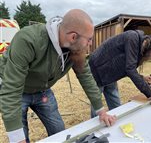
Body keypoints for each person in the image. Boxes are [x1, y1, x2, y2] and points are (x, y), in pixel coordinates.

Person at [0, 9, 116, 143]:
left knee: (59, 131)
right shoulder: (28, 39)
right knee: (21, 136)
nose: (90, 43)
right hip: (18, 92)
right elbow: (11, 89)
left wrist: (101, 111)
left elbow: (85, 75)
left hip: (42, 91)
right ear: (73, 37)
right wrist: (17, 138)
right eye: (89, 39)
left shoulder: (75, 49)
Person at [89, 30, 151, 117]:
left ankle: (117, 121)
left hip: (111, 73)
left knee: (115, 101)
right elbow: (130, 69)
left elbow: (128, 68)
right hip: (97, 69)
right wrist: (150, 93)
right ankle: (94, 128)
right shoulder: (133, 38)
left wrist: (142, 78)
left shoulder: (141, 51)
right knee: (97, 105)